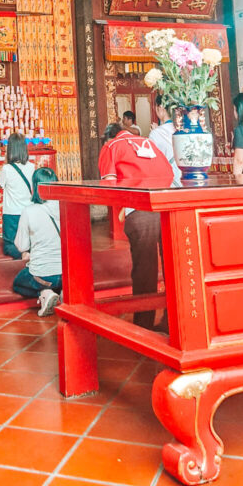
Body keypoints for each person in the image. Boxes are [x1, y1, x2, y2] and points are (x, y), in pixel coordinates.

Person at [98, 121, 174, 330]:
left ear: (109, 137)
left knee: (145, 269)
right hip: (167, 204)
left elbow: (109, 186)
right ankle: (172, 319)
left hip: (141, 209)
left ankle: (144, 326)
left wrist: (122, 208)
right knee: (171, 266)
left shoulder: (112, 147)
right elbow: (169, 173)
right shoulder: (148, 142)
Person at [12, 167, 62, 317]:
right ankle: (64, 292)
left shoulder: (29, 211)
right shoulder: (66, 207)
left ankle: (45, 292)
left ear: (35, 187)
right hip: (68, 273)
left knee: (18, 283)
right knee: (59, 277)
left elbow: (22, 246)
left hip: (43, 275)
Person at [0, 132, 36, 258]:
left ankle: (22, 255)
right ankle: (28, 253)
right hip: (27, 210)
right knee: (28, 239)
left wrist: (5, 162)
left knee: (10, 243)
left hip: (11, 212)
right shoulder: (31, 167)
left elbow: (0, 185)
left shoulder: (7, 169)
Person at [148, 94, 181, 186]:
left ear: (160, 108)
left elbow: (152, 162)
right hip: (185, 179)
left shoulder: (156, 133)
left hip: (168, 181)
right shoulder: (181, 129)